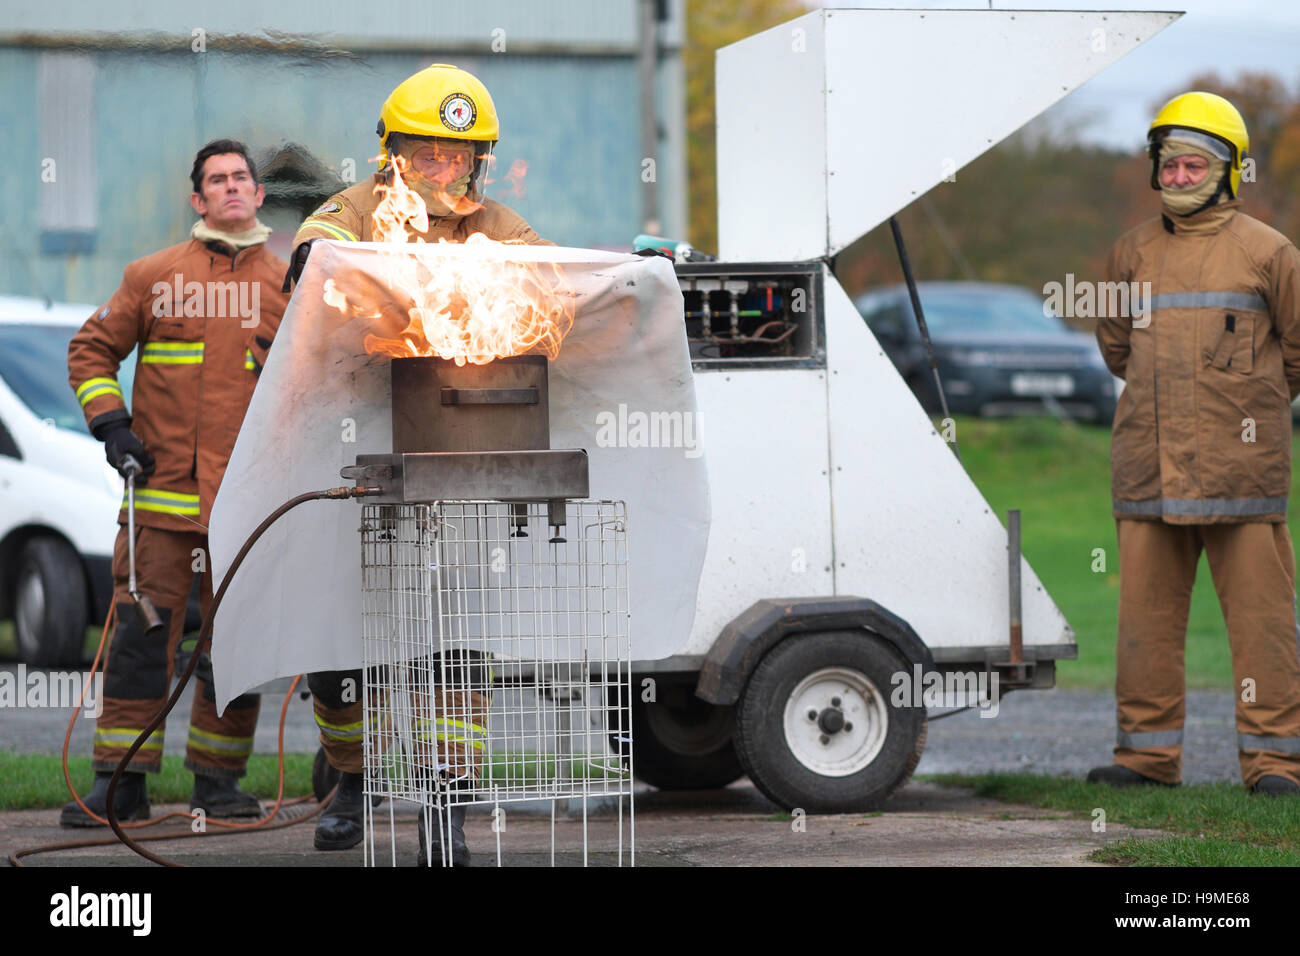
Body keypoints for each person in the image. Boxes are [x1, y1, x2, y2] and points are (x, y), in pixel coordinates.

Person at [286, 63, 552, 864]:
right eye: (427, 153)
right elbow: (314, 255)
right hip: (348, 454)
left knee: (456, 647)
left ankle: (446, 811)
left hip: (455, 460)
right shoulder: (360, 209)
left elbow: (552, 282)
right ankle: (354, 778)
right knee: (338, 655)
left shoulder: (496, 223)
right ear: (393, 154)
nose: (443, 170)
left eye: (458, 156)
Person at [62, 140, 289, 826]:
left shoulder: (288, 287)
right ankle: (119, 782)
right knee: (139, 640)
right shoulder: (154, 277)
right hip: (160, 508)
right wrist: (112, 427)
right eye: (216, 180)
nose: (230, 188)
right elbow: (91, 350)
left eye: (240, 178)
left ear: (257, 194)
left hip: (247, 509)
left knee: (238, 648)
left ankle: (217, 783)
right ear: (198, 200)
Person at [1091, 91, 1300, 796]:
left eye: (1192, 165)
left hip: (1243, 477)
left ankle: (1276, 765)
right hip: (1147, 474)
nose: (1177, 177)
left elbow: (1298, 356)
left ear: (1230, 171)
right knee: (1144, 628)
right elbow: (1117, 352)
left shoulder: (1271, 254)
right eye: (1168, 166)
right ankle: (1146, 761)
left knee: (1264, 633)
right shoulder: (1129, 254)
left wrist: (1246, 407)